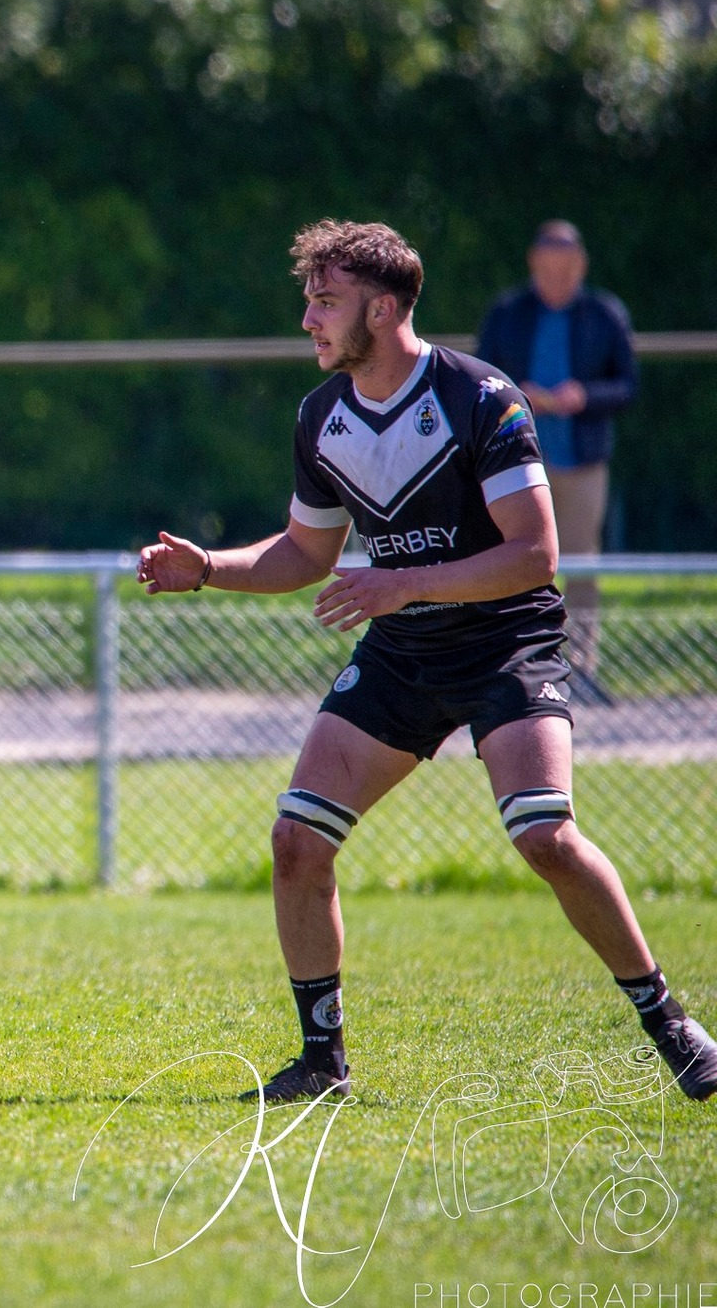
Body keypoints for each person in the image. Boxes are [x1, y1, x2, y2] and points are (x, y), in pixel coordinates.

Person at [137, 220, 713, 1104]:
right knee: (297, 840)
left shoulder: (482, 398)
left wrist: (402, 582)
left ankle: (671, 1026)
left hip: (505, 641)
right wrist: (208, 569)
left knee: (545, 835)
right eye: (309, 301)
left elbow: (534, 556)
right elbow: (306, 554)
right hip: (406, 651)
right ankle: (323, 1061)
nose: (307, 320)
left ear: (386, 305)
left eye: (325, 301)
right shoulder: (321, 417)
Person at [475, 221, 638, 698]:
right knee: (511, 556)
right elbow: (480, 375)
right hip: (514, 463)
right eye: (549, 270)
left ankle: (582, 665)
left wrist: (583, 395)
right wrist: (515, 392)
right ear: (533, 264)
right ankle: (511, 657)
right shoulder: (507, 313)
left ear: (581, 266)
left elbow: (628, 385)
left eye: (566, 270)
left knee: (582, 559)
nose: (557, 279)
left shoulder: (604, 314)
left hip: (583, 461)